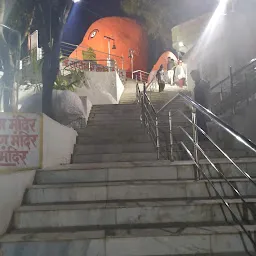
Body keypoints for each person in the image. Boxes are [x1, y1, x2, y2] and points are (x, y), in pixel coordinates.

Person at [190, 70, 210, 141]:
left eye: (193, 76)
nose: (192, 78)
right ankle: (201, 137)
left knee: (202, 121)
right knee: (199, 121)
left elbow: (206, 95)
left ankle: (203, 137)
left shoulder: (202, 84)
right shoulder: (198, 83)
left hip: (202, 105)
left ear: (197, 75)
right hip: (198, 105)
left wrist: (206, 105)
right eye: (192, 76)